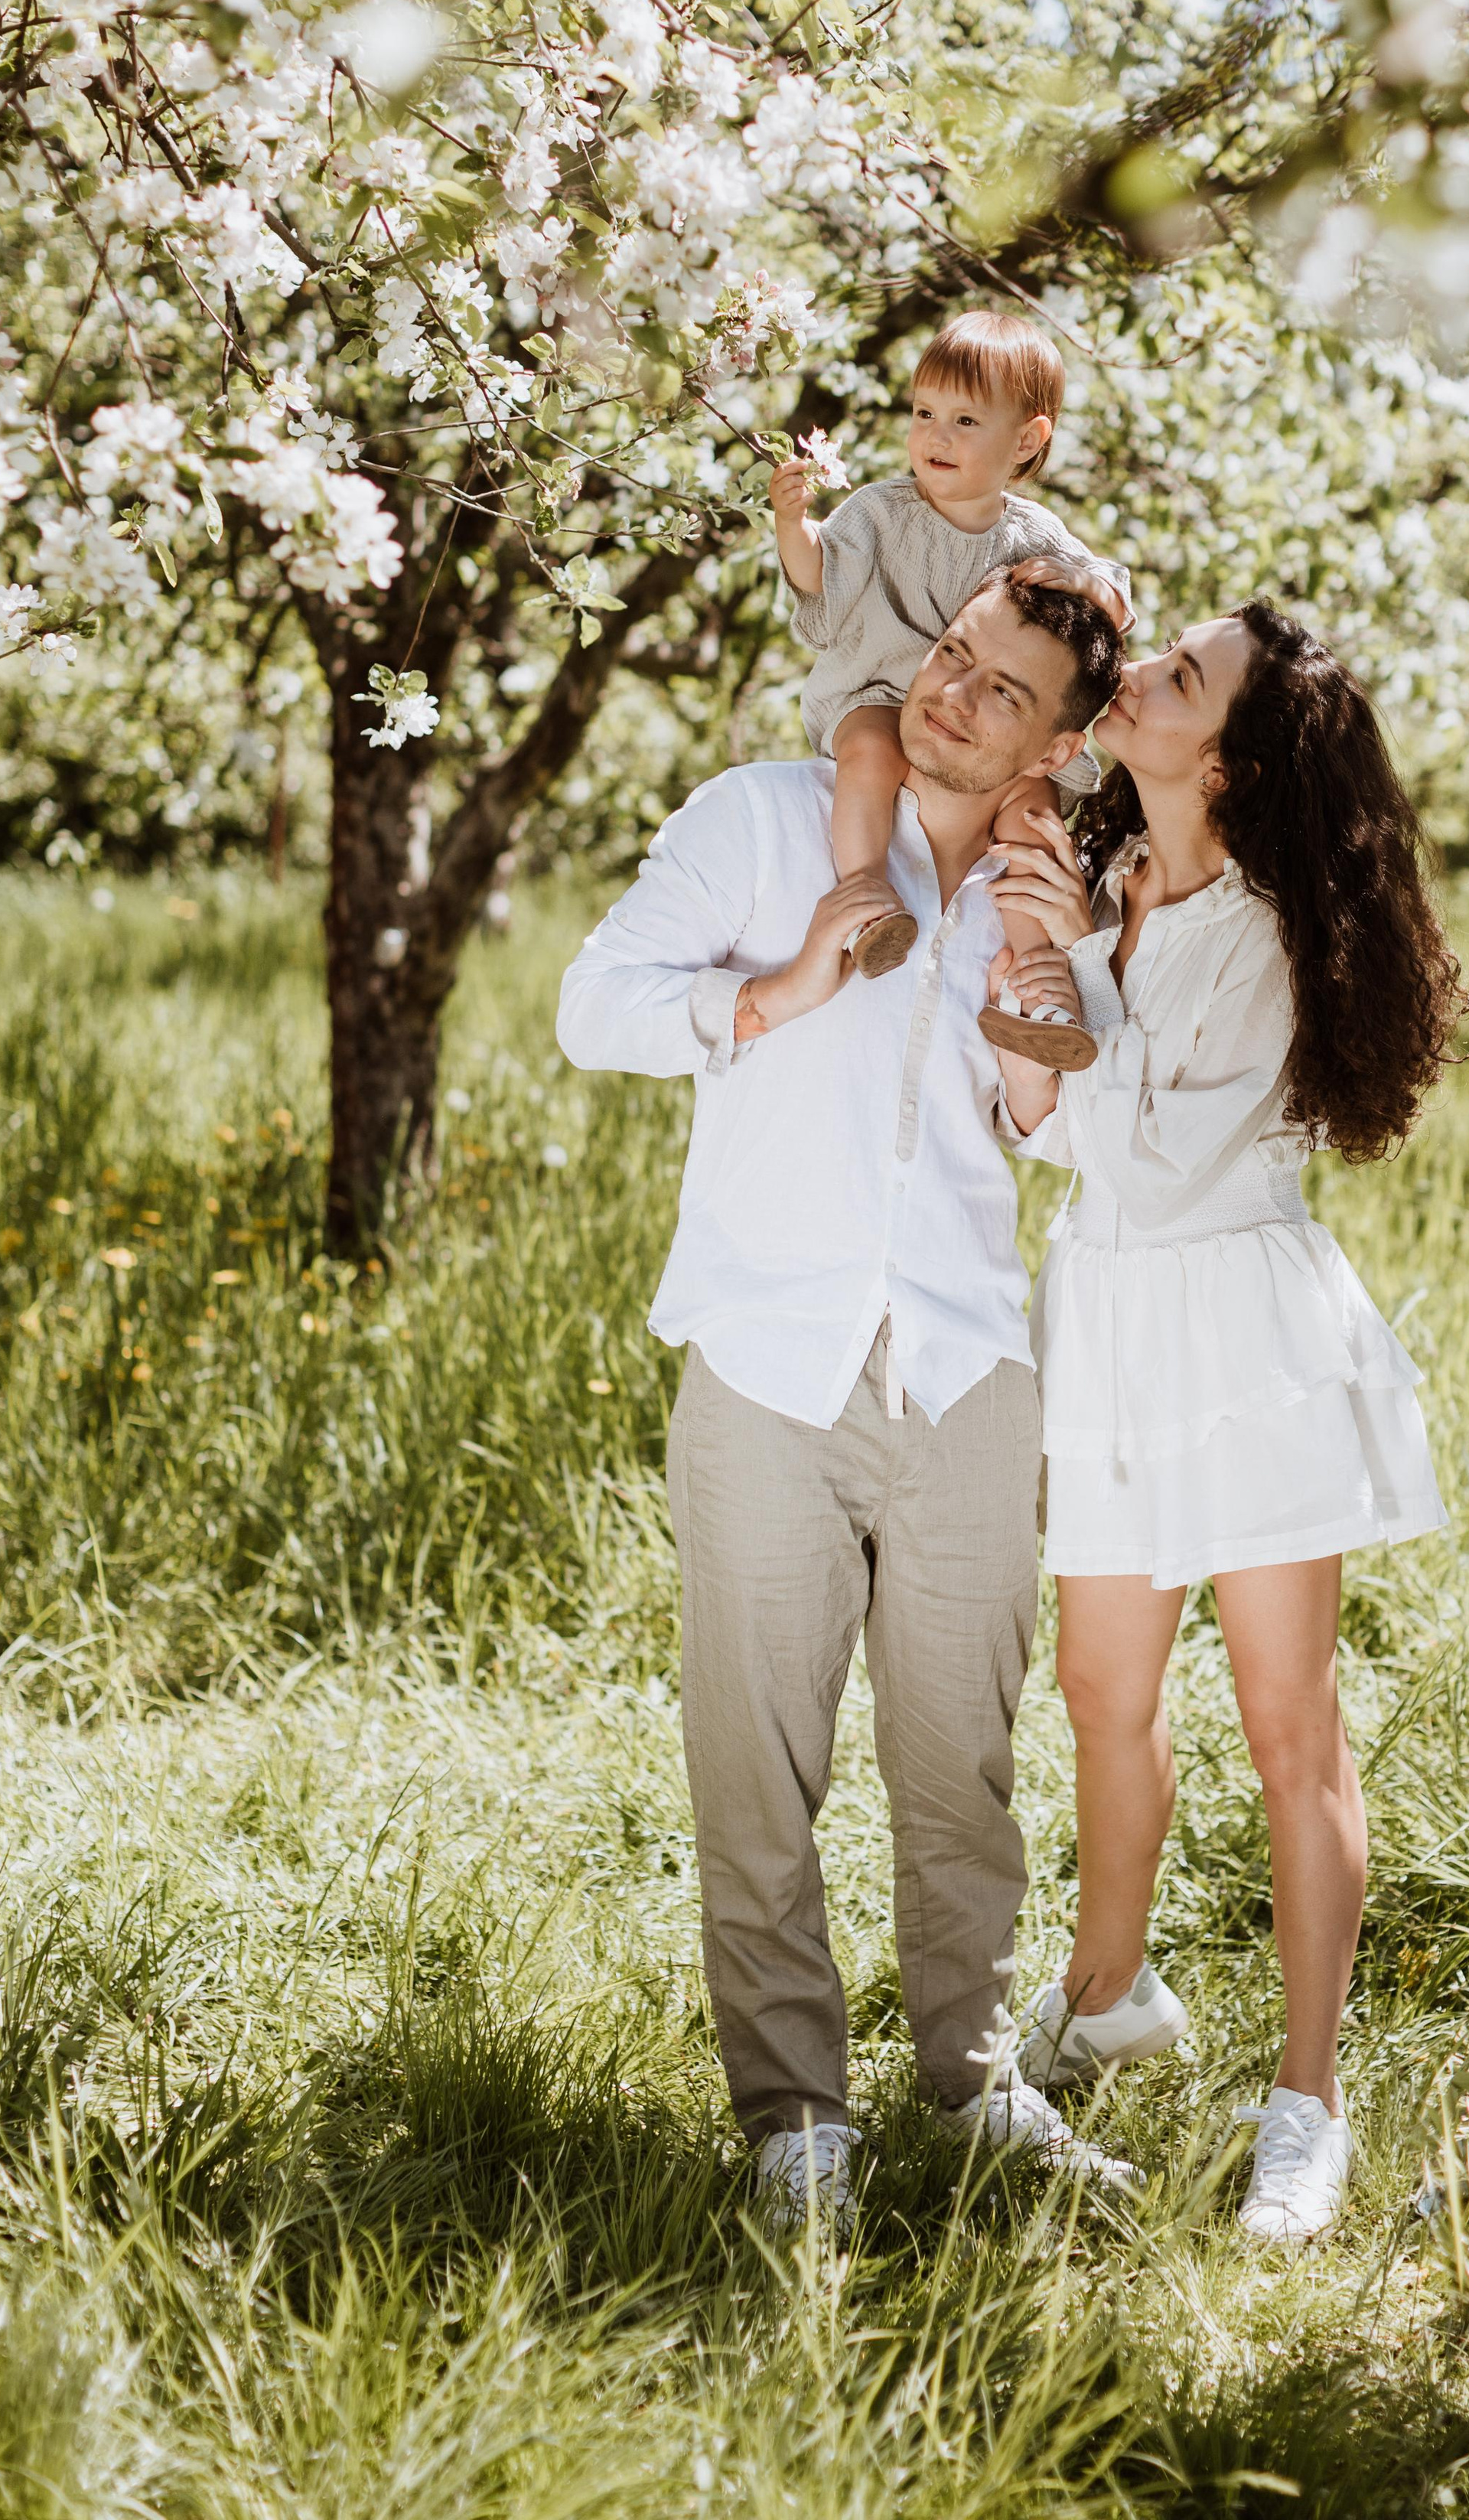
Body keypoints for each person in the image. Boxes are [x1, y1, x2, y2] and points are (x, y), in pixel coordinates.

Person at [556, 567, 1135, 2233]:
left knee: (962, 1756)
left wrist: (1051, 960)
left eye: (1002, 689)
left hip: (962, 1365)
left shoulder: (1051, 895)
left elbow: (1073, 1130)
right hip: (763, 1357)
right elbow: (592, 1008)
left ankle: (968, 2080)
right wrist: (775, 989)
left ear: (1062, 737)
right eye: (949, 657)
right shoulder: (761, 819)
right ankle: (794, 2112)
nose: (951, 695)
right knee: (757, 1756)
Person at [987, 599, 1465, 2246]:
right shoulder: (1111, 882)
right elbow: (1031, 1113)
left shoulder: (1258, 934)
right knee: (1100, 1692)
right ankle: (1104, 1995)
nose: (1136, 677)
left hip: (1241, 1332)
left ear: (1235, 752)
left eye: (1176, 678)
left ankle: (1304, 2102)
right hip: (1112, 1320)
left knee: (1287, 1723)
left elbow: (1144, 1150)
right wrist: (1048, 961)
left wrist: (1050, 981)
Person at [769, 308, 1132, 1069]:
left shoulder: (1036, 539)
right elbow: (822, 580)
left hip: (988, 741)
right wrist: (793, 528)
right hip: (879, 691)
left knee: (1031, 816)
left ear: (1026, 441)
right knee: (868, 752)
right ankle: (866, 898)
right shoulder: (878, 510)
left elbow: (1097, 593)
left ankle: (1039, 989)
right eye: (924, 414)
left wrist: (1104, 595)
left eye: (965, 420)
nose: (935, 436)